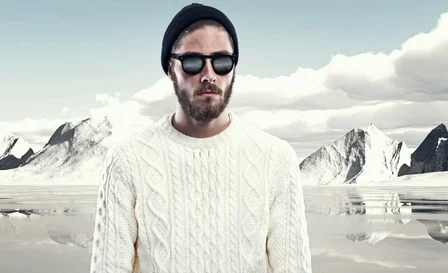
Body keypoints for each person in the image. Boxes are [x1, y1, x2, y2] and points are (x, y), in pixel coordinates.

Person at [88, 3, 312, 273]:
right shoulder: (126, 161)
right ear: (170, 69)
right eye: (193, 62)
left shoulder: (276, 158)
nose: (209, 75)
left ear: (233, 68)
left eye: (221, 62)